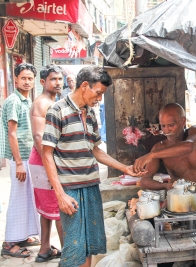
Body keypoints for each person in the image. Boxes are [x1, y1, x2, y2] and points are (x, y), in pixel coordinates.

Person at [41, 66, 138, 267]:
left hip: (91, 186)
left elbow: (96, 150)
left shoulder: (90, 114)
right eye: (98, 93)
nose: (99, 99)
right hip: (70, 189)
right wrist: (60, 195)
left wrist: (124, 168)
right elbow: (47, 154)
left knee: (90, 246)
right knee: (74, 248)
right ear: (84, 86)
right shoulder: (57, 111)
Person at [1, 63, 41, 258]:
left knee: (27, 198)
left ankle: (21, 236)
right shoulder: (14, 101)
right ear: (15, 79)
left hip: (27, 156)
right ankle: (8, 244)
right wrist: (18, 162)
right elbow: (12, 133)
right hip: (20, 158)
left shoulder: (26, 100)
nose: (27, 81)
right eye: (23, 78)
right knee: (18, 198)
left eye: (30, 78)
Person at [29, 65, 64, 262]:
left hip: (43, 160)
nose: (57, 83)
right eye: (53, 79)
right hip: (43, 160)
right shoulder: (43, 103)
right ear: (43, 82)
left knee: (48, 207)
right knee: (59, 207)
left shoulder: (51, 101)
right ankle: (68, 254)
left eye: (59, 79)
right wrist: (51, 165)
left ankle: (44, 250)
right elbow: (38, 137)